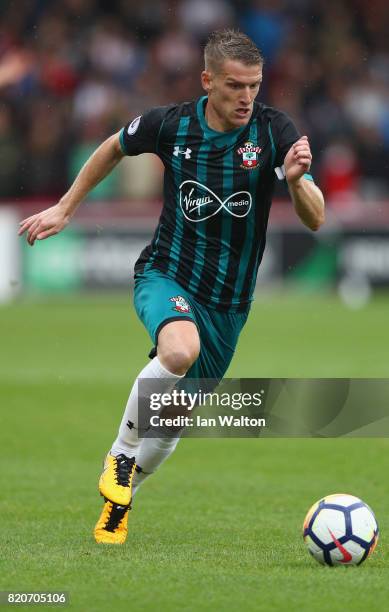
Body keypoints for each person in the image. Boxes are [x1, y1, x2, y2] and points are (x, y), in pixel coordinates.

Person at [19, 29, 325, 544]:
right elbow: (113, 147)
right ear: (208, 80)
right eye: (234, 86)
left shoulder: (275, 131)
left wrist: (296, 181)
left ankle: (124, 496)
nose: (246, 97)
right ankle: (119, 454)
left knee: (172, 418)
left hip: (229, 304)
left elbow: (315, 219)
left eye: (254, 86)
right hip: (167, 271)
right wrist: (66, 207)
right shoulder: (172, 123)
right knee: (179, 349)